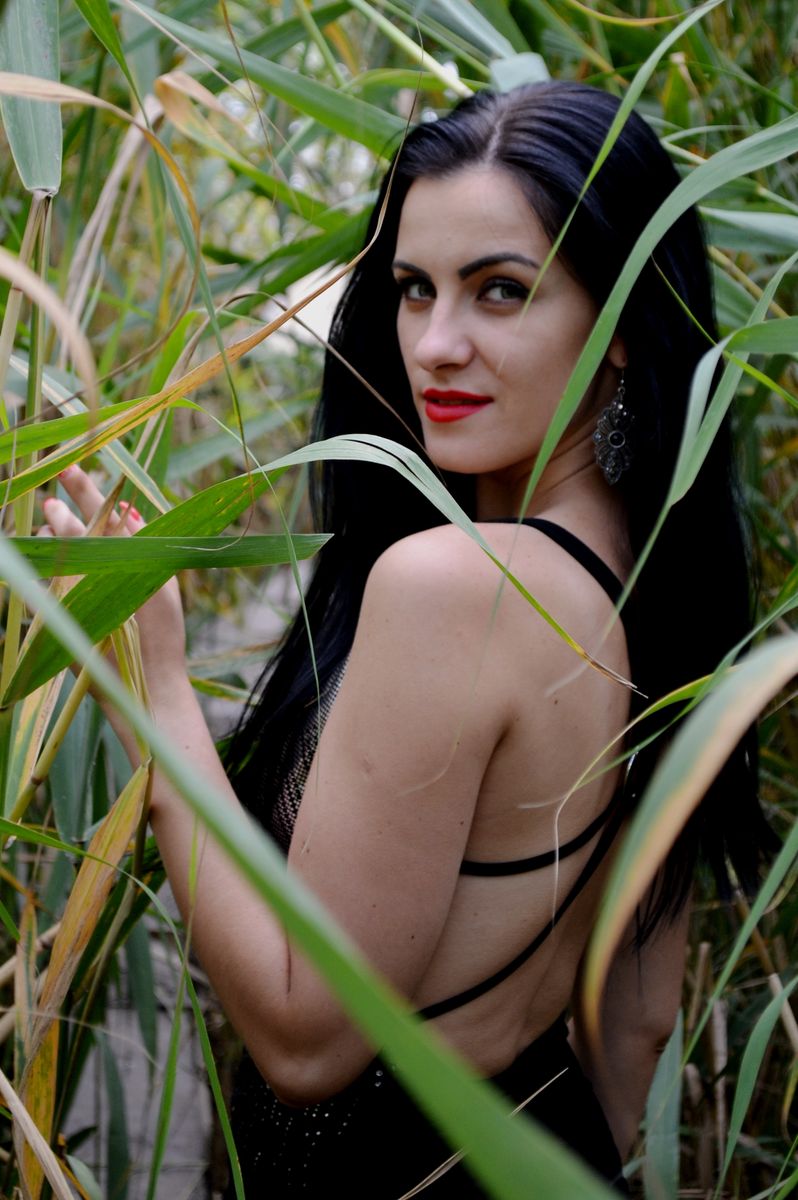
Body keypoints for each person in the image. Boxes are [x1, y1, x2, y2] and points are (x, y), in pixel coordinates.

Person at [42, 81, 775, 1197]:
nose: (434, 344)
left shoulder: (455, 589)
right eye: (414, 288)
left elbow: (306, 1044)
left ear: (623, 326)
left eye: (501, 291)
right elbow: (637, 1024)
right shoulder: (664, 589)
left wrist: (156, 690)